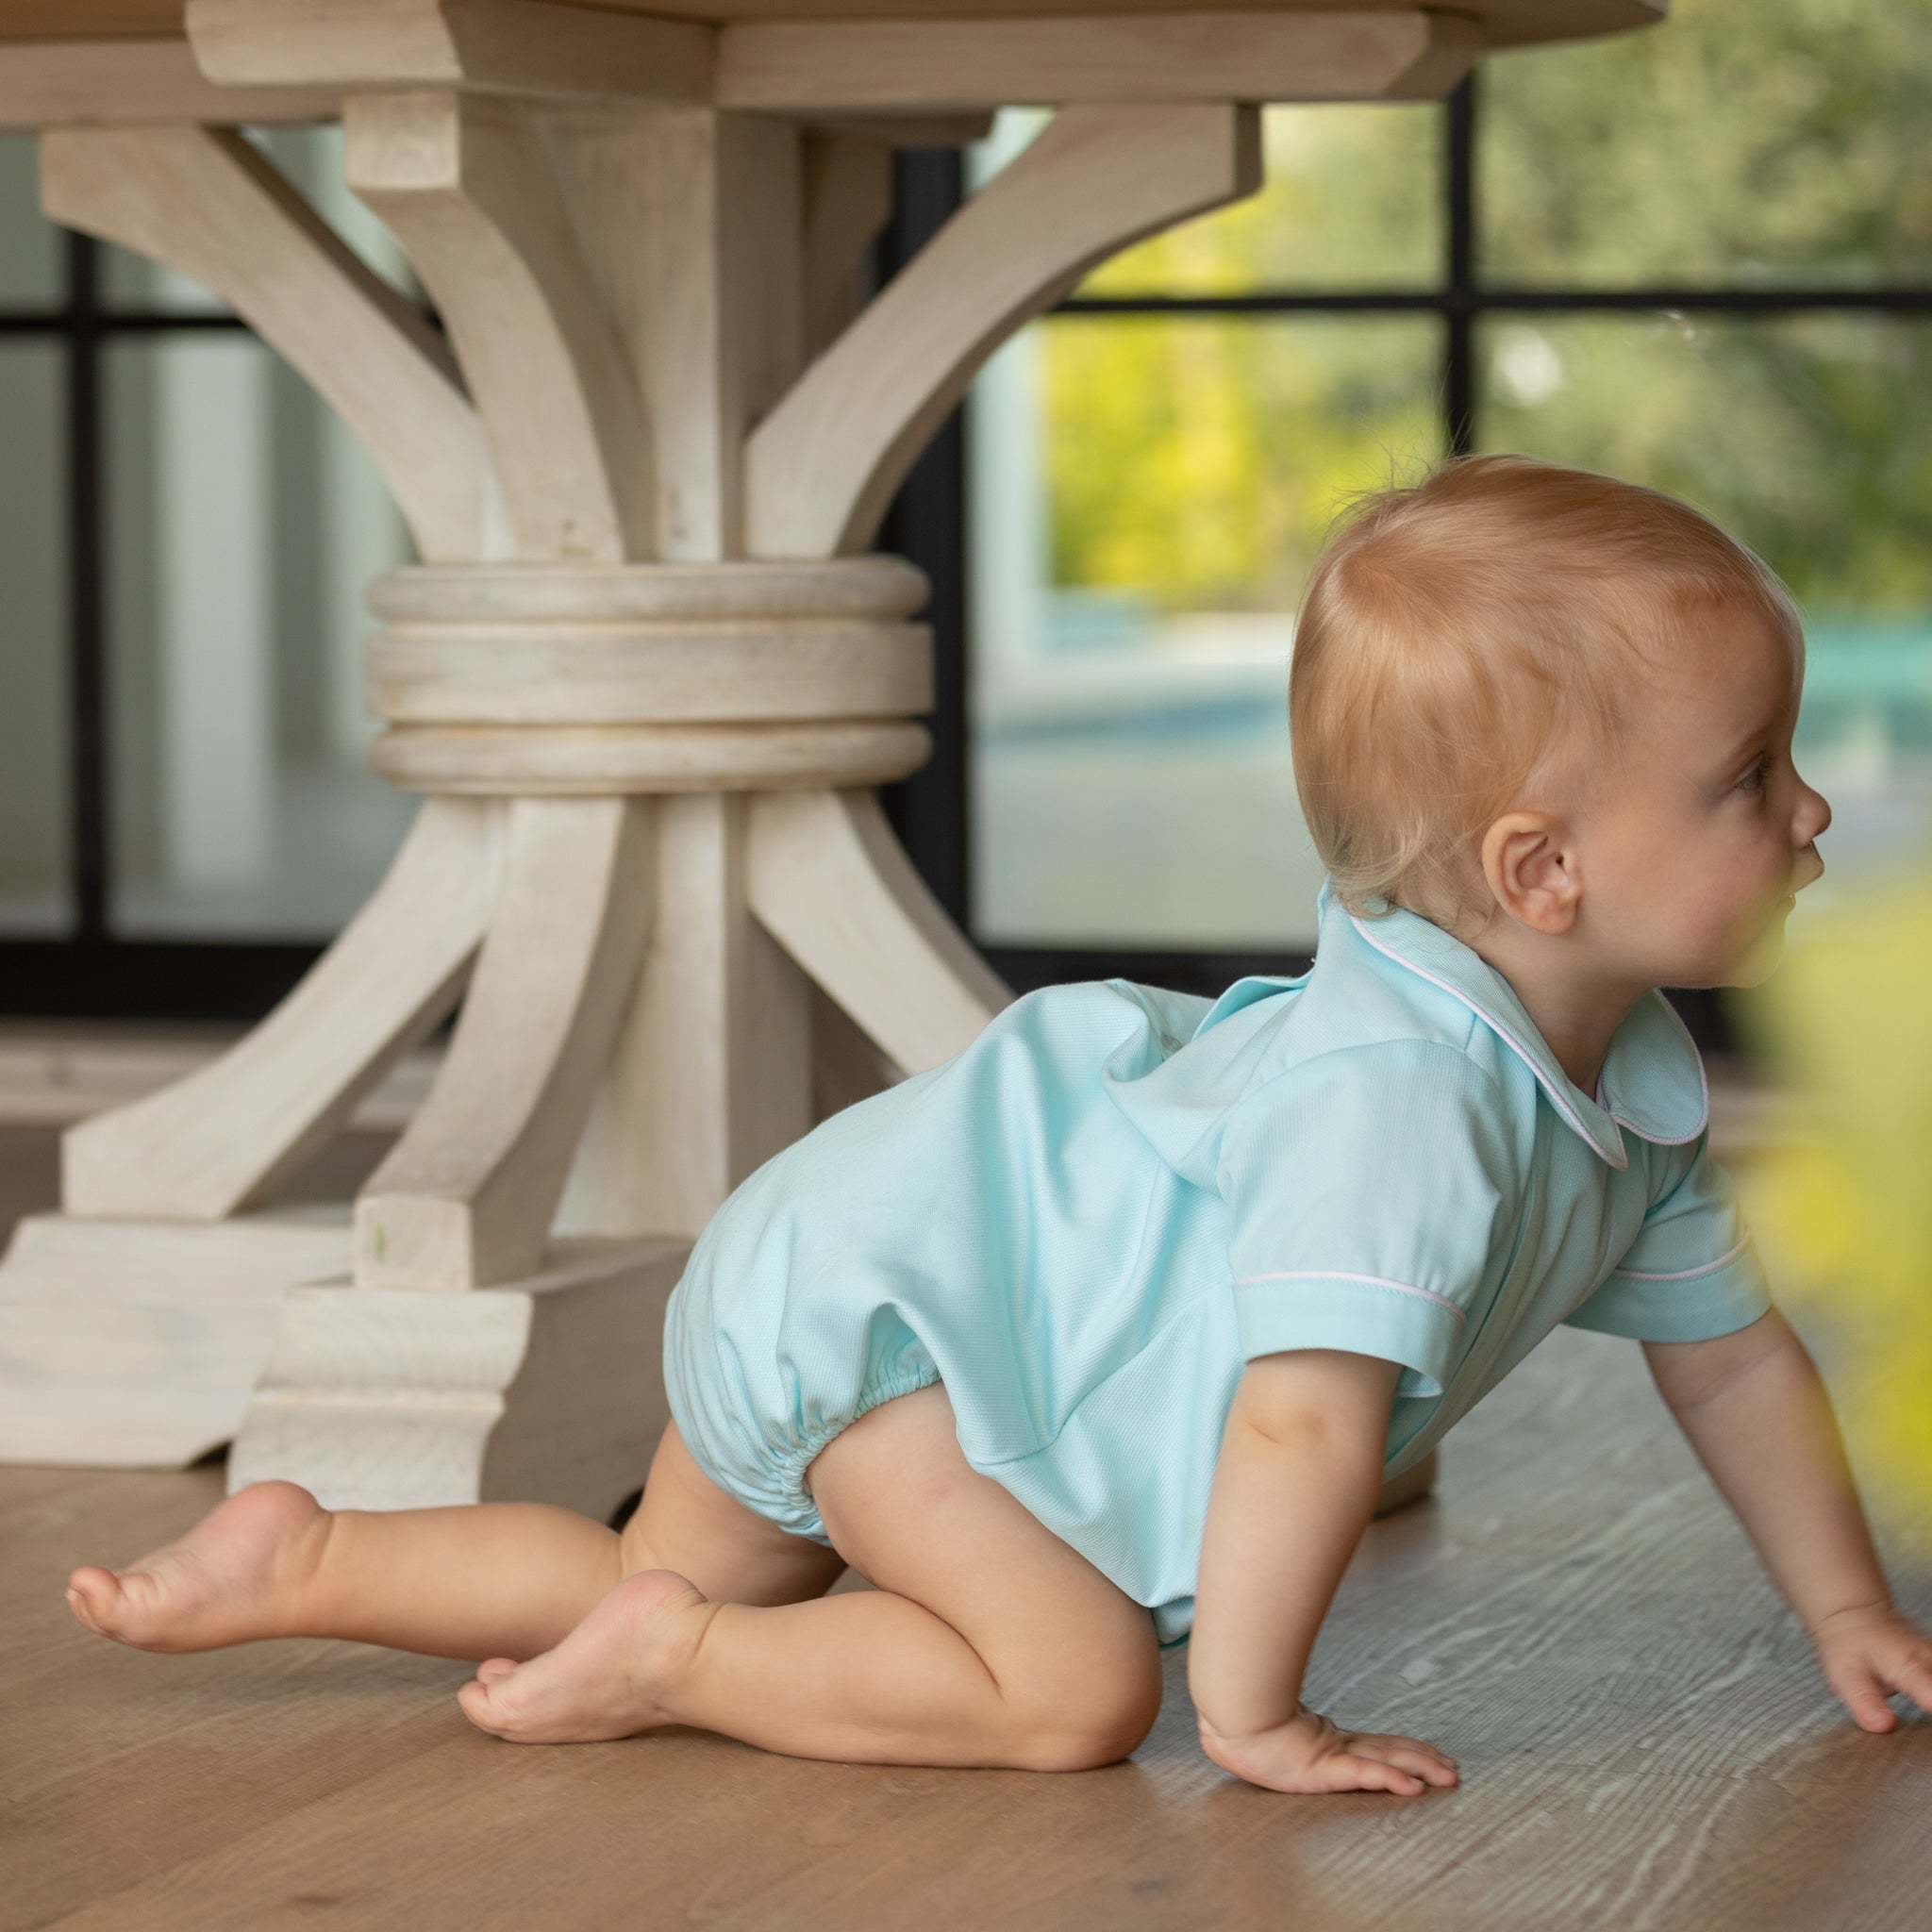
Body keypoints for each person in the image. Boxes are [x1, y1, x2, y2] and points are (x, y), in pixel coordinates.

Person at [65, 455, 1932, 1796]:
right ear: (1540, 872)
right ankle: (688, 1669)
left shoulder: (1625, 1083)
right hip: (908, 1340)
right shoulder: (1400, 1106)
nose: (1811, 810)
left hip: (860, 1273)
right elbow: (1301, 1423)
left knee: (649, 1566)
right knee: (1070, 1690)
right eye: (1749, 776)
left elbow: (1731, 1359)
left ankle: (313, 1559)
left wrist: (1843, 1608)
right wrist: (1258, 1716)